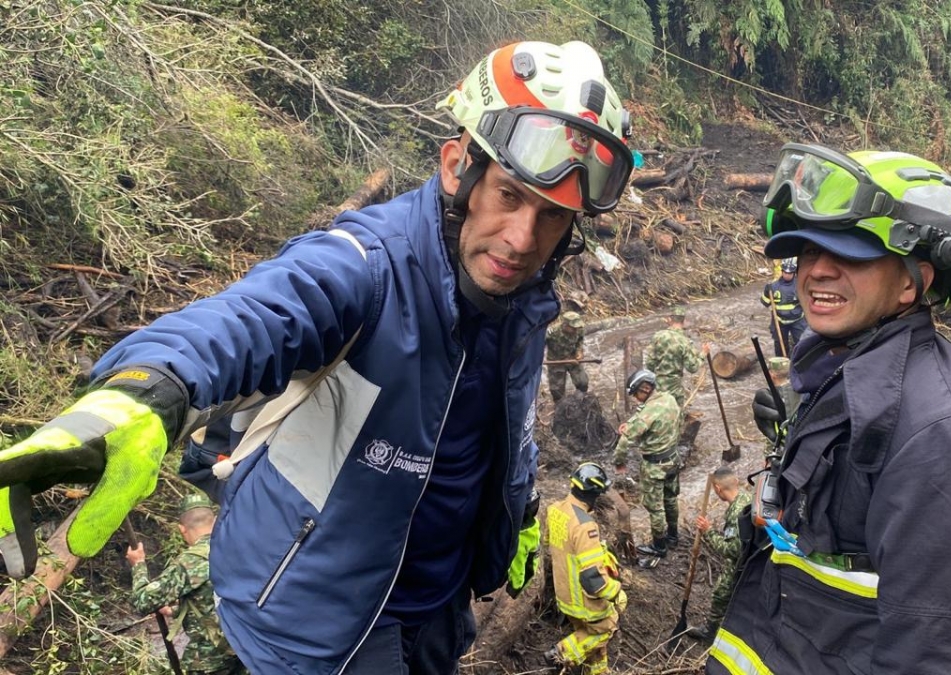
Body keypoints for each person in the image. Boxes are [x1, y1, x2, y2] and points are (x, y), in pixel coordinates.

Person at [0, 40, 636, 675]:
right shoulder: (367, 267)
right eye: (507, 196)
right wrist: (147, 388)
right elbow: (257, 314)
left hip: (435, 616)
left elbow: (500, 425)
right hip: (315, 628)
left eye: (552, 217)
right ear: (456, 169)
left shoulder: (524, 301)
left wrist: (516, 510)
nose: (522, 239)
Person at [710, 144, 951, 674]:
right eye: (806, 251)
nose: (816, 272)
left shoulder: (943, 434)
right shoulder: (837, 364)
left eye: (850, 253)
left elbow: (927, 654)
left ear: (911, 282)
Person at [126, 493, 242, 675]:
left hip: (210, 661)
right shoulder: (239, 548)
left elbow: (143, 601)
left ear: (182, 529)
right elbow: (218, 599)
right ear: (215, 521)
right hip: (245, 652)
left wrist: (138, 565)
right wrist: (174, 611)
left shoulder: (188, 562)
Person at [544, 462, 627, 675]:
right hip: (583, 601)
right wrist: (617, 593)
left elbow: (552, 548)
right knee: (607, 627)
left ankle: (598, 671)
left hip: (564, 596)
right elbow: (593, 580)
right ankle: (560, 654)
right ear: (594, 493)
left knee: (589, 638)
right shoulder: (585, 526)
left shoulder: (555, 511)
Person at [613, 369, 682, 560]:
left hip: (655, 465)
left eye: (636, 394)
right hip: (673, 459)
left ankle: (659, 546)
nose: (636, 399)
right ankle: (673, 536)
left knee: (655, 508)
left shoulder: (647, 413)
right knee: (670, 499)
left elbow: (625, 441)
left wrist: (619, 462)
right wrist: (632, 423)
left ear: (645, 388)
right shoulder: (669, 399)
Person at [685, 466, 751, 644]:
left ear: (717, 489)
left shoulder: (736, 513)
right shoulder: (746, 498)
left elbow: (731, 550)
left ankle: (711, 635)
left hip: (741, 564)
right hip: (753, 559)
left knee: (720, 595)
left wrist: (708, 531)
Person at [643, 306, 709, 408]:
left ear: (669, 319)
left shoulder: (658, 336)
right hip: (674, 389)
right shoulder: (684, 341)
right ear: (684, 321)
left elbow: (649, 364)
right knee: (676, 414)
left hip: (658, 387)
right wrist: (703, 354)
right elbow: (693, 368)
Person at [760, 257, 806, 357]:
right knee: (780, 345)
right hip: (779, 321)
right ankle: (782, 365)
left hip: (797, 320)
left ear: (794, 273)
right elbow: (765, 302)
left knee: (802, 343)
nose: (787, 275)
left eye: (790, 273)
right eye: (785, 272)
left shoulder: (800, 285)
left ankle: (799, 364)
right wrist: (766, 292)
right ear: (782, 271)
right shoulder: (773, 287)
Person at [545, 310, 589, 402]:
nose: (576, 330)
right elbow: (539, 345)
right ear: (565, 325)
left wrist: (579, 351)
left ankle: (581, 400)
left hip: (573, 358)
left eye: (577, 327)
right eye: (573, 328)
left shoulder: (579, 329)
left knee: (583, 382)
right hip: (556, 362)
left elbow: (580, 341)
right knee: (557, 391)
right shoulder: (552, 332)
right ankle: (560, 407)